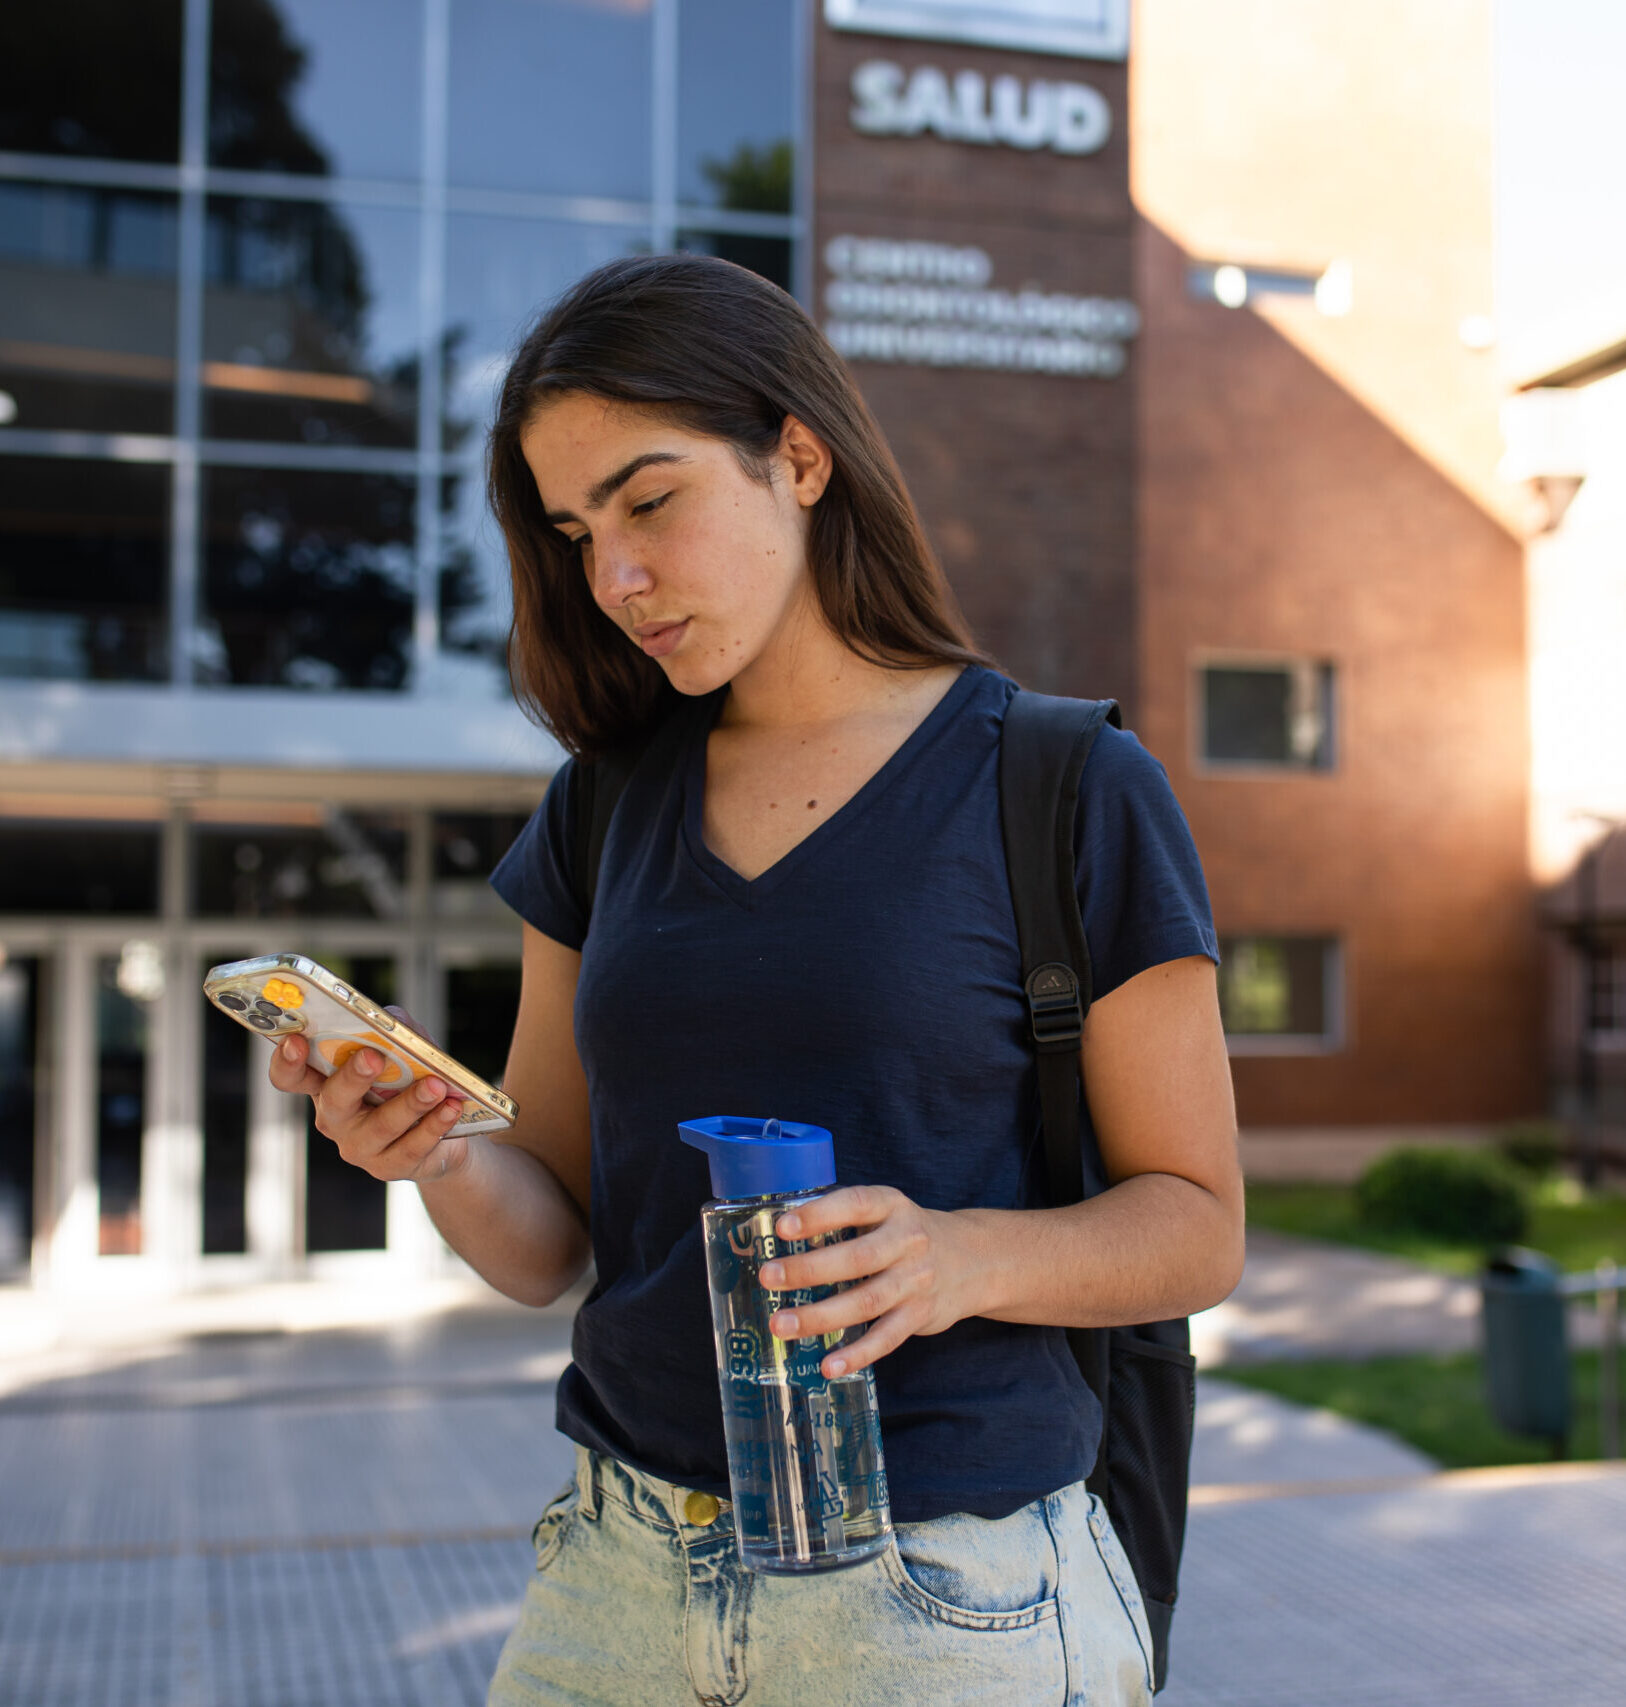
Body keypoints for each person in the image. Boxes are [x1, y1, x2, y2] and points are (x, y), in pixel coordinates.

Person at [269, 253, 1243, 1706]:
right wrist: (437, 1151)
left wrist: (957, 1258)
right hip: (616, 1575)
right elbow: (547, 1244)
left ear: (798, 457)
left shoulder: (1063, 787)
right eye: (575, 533)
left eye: (649, 503)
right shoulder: (603, 807)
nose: (614, 578)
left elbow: (1198, 1229)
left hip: (943, 1599)